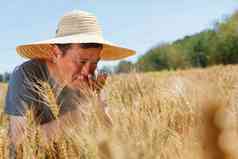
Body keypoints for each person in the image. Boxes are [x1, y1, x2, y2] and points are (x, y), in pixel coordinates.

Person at [4, 10, 135, 157]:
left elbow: (110, 140)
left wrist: (98, 107)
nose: (88, 71)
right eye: (82, 61)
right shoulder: (25, 76)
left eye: (95, 62)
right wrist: (77, 116)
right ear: (55, 53)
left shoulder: (93, 77)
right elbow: (19, 145)